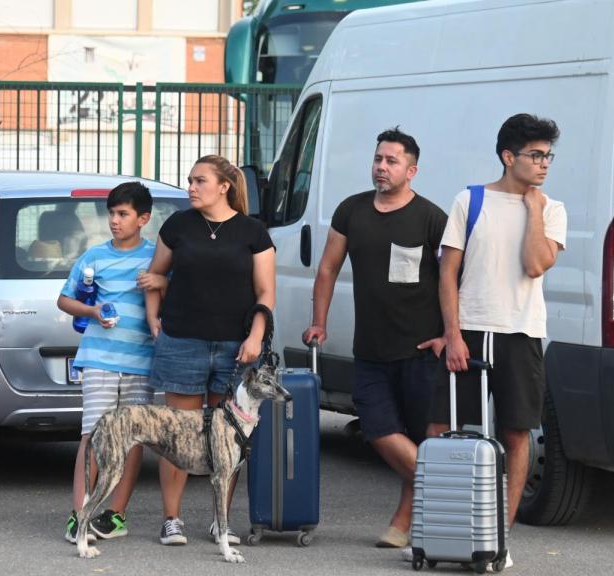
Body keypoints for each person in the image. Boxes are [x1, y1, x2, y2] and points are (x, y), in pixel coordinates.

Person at [428, 113, 567, 570]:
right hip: (470, 331)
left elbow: (534, 264)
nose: (544, 163)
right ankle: (438, 528)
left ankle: (499, 539)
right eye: (535, 155)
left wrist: (533, 210)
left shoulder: (552, 210)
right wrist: (452, 334)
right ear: (509, 157)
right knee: (442, 428)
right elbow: (448, 273)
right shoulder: (469, 201)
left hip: (521, 332)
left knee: (516, 432)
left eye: (548, 156)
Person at [302, 127, 447, 549]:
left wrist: (448, 334)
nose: (381, 167)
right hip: (370, 349)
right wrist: (319, 321)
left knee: (424, 438)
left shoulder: (431, 218)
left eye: (391, 161)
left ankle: (402, 524)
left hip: (422, 350)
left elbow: (453, 280)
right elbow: (328, 268)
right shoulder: (352, 210)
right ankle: (448, 490)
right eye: (378, 159)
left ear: (411, 171)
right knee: (378, 428)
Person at [142, 154, 276, 546]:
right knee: (177, 435)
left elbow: (266, 292)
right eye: (189, 180)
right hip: (182, 341)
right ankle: (172, 519)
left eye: (199, 180)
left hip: (236, 347)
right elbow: (155, 275)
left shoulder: (253, 232)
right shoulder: (178, 225)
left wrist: (255, 337)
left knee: (227, 438)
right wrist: (153, 319)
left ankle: (221, 521)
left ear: (224, 186)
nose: (191, 187)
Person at [57, 182, 157, 544]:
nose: (115, 220)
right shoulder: (94, 256)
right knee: (92, 435)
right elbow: (65, 300)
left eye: (123, 214)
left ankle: (116, 515)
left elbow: (170, 296)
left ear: (143, 219)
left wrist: (160, 280)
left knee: (132, 439)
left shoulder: (156, 257)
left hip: (141, 361)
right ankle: (79, 514)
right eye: (112, 213)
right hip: (98, 357)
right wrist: (93, 310)